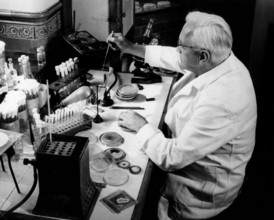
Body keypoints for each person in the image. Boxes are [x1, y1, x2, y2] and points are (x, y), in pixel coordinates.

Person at [107, 11, 257, 220]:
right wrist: (131, 48)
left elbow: (173, 157)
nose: (177, 50)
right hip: (193, 166)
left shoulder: (223, 99)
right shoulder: (219, 59)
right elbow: (177, 58)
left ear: (202, 56)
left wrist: (141, 126)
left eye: (181, 46)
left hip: (200, 196)